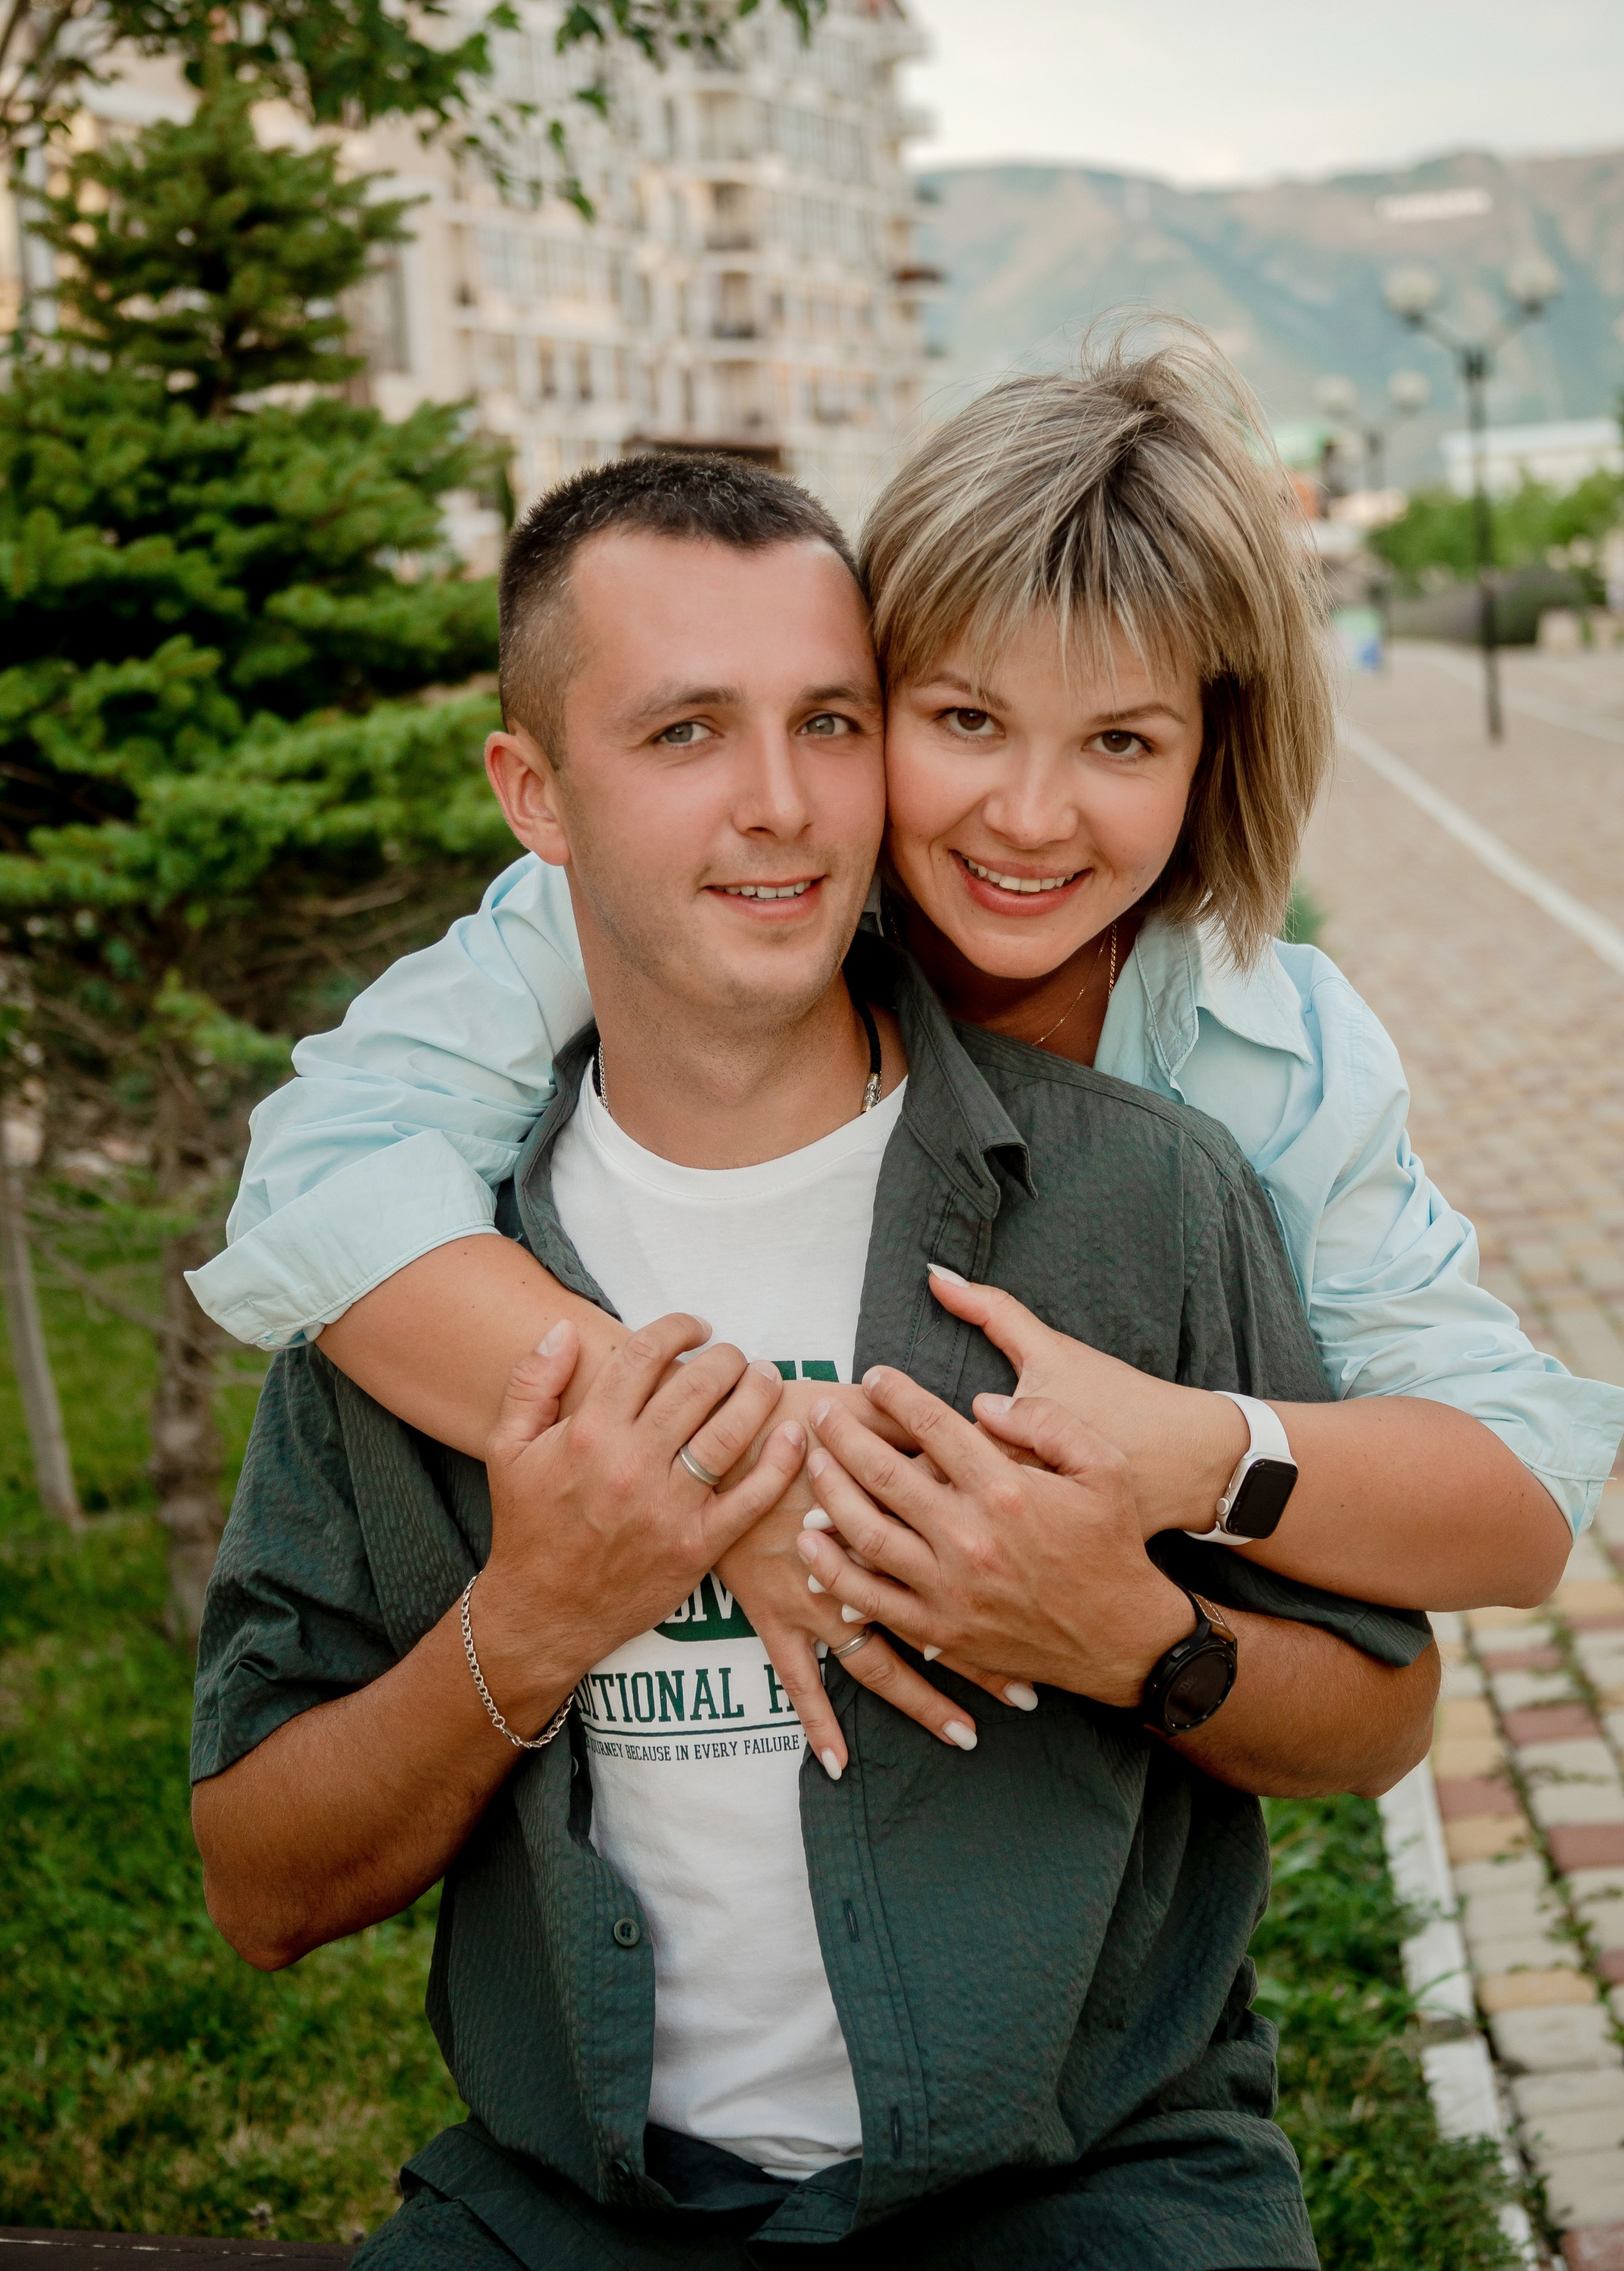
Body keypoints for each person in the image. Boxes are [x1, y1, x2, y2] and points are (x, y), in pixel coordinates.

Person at [192, 462, 1436, 2270]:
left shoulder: (1143, 1199)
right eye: (685, 732)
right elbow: (259, 1889)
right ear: (535, 793)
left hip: (1087, 2201)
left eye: (829, 723)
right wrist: (533, 1621)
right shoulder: (412, 1277)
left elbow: (1385, 1715)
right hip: (569, 2214)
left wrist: (1133, 1636)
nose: (777, 806)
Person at [188, 332, 1620, 1774]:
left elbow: (1514, 1494)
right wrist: (725, 1471)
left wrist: (1190, 1456)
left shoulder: (1267, 1042)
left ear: (1209, 760)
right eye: (964, 721)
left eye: (1119, 743)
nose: (1028, 816)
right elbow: (327, 1172)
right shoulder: (729, 900)